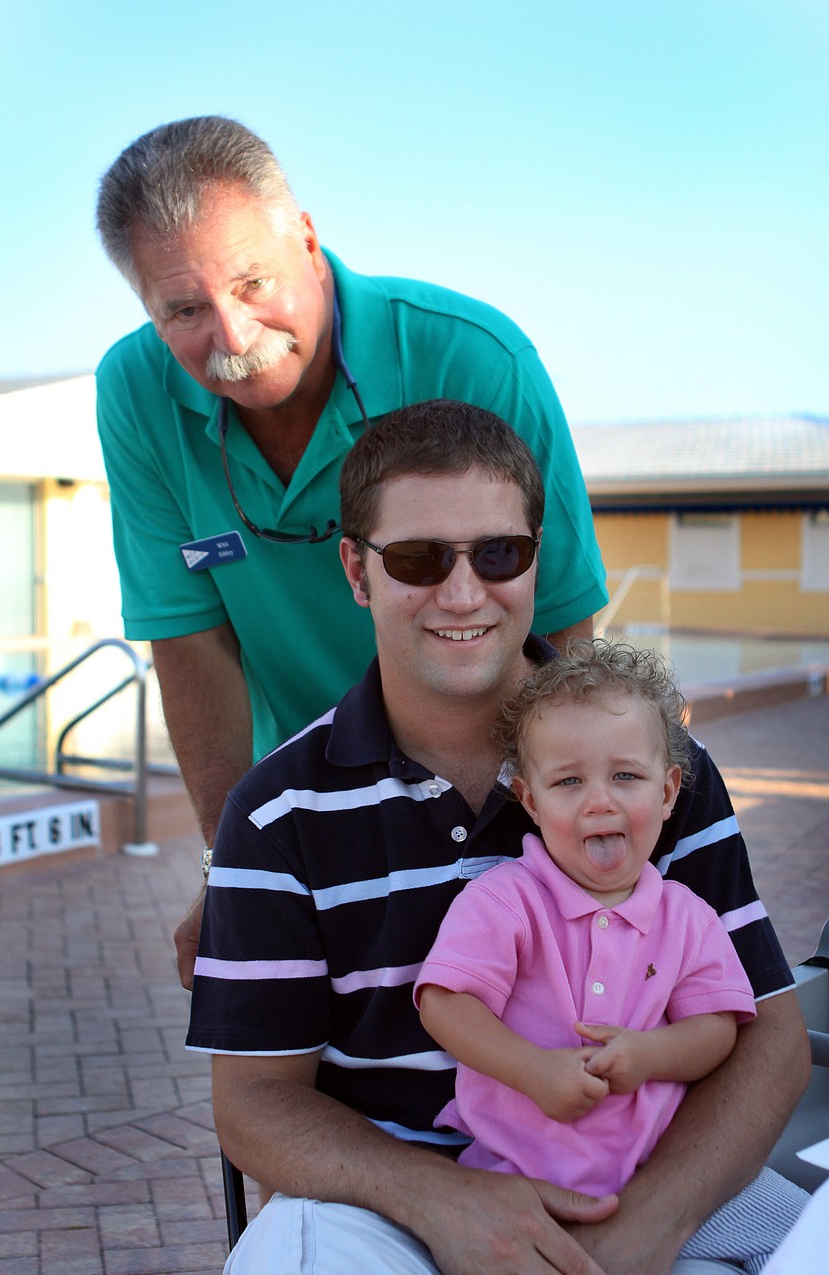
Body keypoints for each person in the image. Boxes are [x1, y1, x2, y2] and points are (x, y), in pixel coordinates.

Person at [186, 400, 810, 1275]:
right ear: (357, 573)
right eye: (417, 558)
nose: (464, 591)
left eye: (497, 553)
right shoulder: (275, 812)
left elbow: (769, 1037)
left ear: (535, 558)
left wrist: (648, 1226)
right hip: (392, 1208)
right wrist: (444, 1202)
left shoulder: (658, 768)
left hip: (654, 1177)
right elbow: (254, 1101)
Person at [93, 115, 607, 985]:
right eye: (182, 308)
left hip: (493, 790)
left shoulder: (474, 356)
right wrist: (235, 870)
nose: (231, 335)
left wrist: (552, 838)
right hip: (312, 805)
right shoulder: (134, 391)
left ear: (306, 234)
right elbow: (190, 643)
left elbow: (561, 634)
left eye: (253, 281)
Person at [415, 640, 808, 1273]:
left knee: (814, 1237)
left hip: (667, 1178)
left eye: (625, 776)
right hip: (524, 1182)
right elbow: (445, 1002)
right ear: (532, 801)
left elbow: (717, 1027)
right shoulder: (508, 901)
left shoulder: (687, 916)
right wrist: (531, 1071)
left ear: (669, 792)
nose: (600, 800)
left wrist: (649, 1055)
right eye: (569, 781)